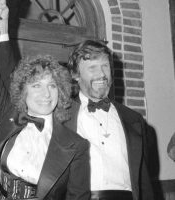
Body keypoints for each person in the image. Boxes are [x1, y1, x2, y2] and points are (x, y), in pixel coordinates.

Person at [0, 3, 90, 200]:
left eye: (52, 85)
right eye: (37, 85)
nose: (46, 93)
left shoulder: (76, 146)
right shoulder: (11, 117)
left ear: (61, 91)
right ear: (23, 91)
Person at [64, 40, 154, 200]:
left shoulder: (134, 119)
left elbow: (144, 180)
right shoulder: (62, 116)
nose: (101, 74)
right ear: (75, 75)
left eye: (105, 66)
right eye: (92, 67)